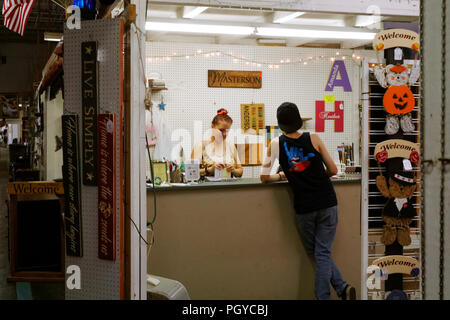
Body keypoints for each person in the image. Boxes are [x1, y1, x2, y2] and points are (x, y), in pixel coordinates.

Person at [260, 102, 356, 300]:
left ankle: (325, 296)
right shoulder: (313, 137)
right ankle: (342, 288)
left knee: (318, 252)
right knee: (322, 252)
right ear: (298, 120)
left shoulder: (276, 144)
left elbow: (264, 176)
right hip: (327, 201)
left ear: (280, 124)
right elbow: (333, 170)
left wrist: (282, 175)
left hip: (305, 207)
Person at [191, 109, 243, 178]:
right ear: (212, 127)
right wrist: (209, 170)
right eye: (221, 130)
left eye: (227, 131)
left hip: (229, 187)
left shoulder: (230, 145)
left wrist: (233, 170)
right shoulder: (200, 146)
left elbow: (240, 171)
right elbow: (191, 172)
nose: (224, 134)